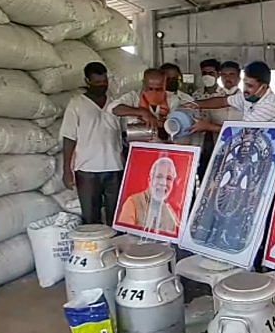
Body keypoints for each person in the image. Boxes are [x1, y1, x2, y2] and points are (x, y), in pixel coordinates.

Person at [60, 62, 125, 226]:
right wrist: (66, 170)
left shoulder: (115, 104)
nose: (102, 86)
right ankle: (94, 249)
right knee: (90, 218)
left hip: (115, 168)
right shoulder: (77, 104)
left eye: (104, 82)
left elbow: (124, 135)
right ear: (86, 81)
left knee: (117, 218)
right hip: (87, 171)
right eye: (97, 83)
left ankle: (115, 249)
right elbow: (69, 138)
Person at [107, 69, 194, 139]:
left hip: (163, 148)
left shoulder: (173, 100)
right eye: (150, 88)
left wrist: (162, 124)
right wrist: (143, 112)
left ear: (164, 85)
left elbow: (175, 128)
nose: (154, 92)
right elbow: (113, 109)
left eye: (158, 89)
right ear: (144, 84)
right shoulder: (132, 97)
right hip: (135, 149)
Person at [187, 61, 275, 123]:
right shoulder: (249, 97)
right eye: (245, 84)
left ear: (263, 87)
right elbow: (223, 101)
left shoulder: (269, 104)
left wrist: (207, 127)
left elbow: (242, 130)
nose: (245, 89)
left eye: (250, 86)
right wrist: (195, 104)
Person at [118, 157, 180, 233]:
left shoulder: (171, 211)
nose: (163, 183)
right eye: (159, 176)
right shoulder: (133, 202)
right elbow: (125, 236)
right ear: (150, 180)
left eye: (169, 178)